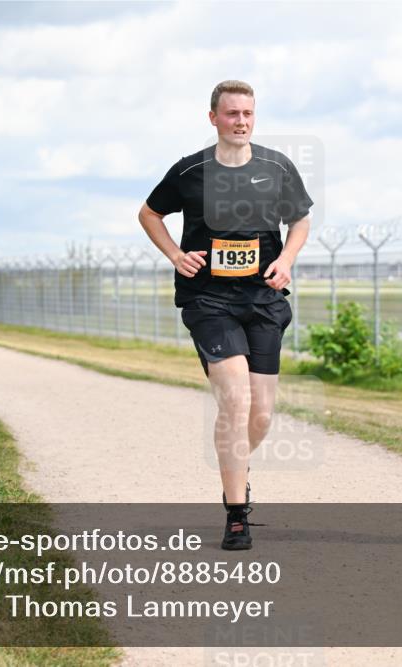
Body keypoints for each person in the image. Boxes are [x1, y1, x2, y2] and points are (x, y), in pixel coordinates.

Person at [138, 80, 312, 550]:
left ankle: (235, 465)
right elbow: (149, 213)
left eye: (247, 114)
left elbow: (300, 220)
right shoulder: (190, 170)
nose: (240, 121)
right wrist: (176, 255)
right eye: (232, 113)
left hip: (263, 299)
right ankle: (237, 514)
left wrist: (287, 258)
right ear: (213, 117)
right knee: (234, 402)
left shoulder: (277, 167)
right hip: (208, 300)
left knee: (261, 415)